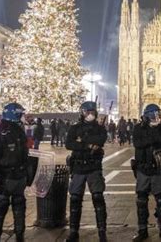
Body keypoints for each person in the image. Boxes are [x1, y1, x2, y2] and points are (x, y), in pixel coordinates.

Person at [132, 104, 161, 242]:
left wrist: (154, 137)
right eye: (154, 115)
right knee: (141, 201)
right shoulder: (138, 128)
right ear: (147, 116)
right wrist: (156, 139)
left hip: (158, 169)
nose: (157, 117)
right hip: (143, 168)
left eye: (158, 114)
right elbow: (138, 143)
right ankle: (142, 230)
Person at [66, 101, 108, 242]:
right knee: (75, 199)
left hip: (93, 167)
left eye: (92, 112)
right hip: (78, 167)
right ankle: (73, 232)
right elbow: (68, 143)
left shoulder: (100, 128)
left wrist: (80, 141)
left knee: (98, 198)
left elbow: (101, 140)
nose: (90, 115)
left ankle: (102, 232)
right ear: (82, 113)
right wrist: (89, 144)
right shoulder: (75, 127)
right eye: (87, 112)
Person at [0, 103, 29, 242]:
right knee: (12, 207)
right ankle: (16, 237)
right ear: (15, 115)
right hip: (8, 178)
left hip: (12, 177)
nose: (23, 116)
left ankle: (2, 237)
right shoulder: (4, 133)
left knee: (6, 208)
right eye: (20, 114)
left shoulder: (10, 131)